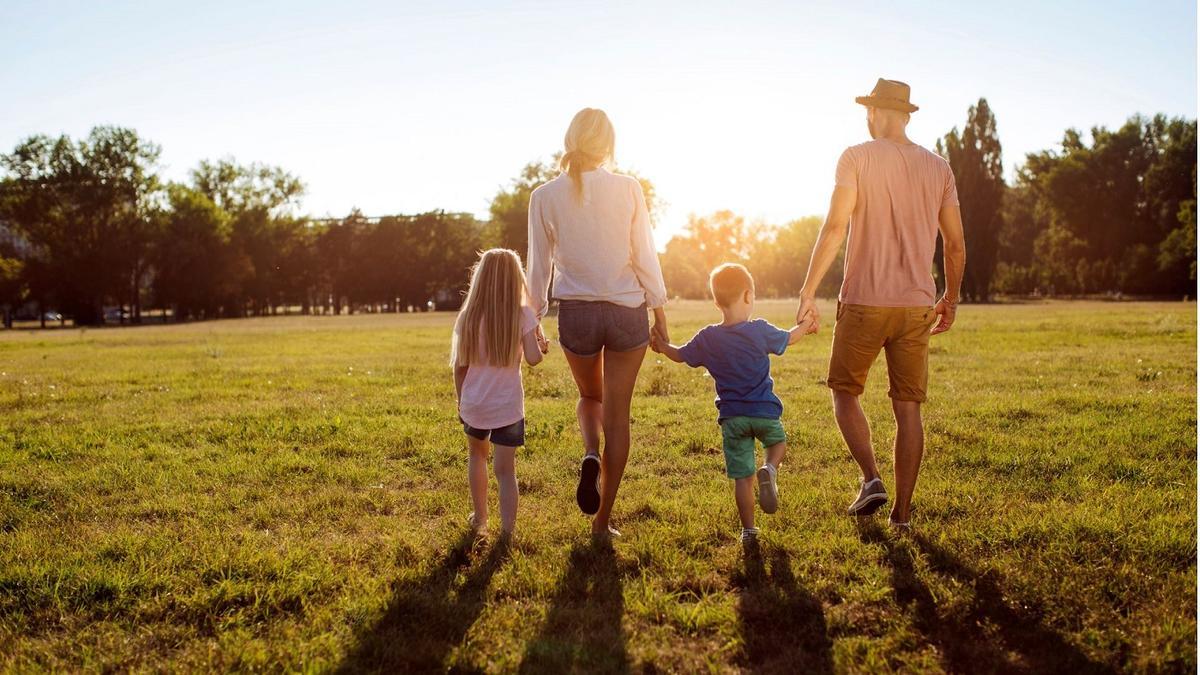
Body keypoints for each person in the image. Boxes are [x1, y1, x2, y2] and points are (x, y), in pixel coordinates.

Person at [795, 78, 967, 531]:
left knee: (844, 392)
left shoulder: (856, 157)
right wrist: (950, 297)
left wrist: (808, 290)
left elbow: (834, 228)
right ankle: (903, 516)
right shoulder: (939, 167)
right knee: (908, 409)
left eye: (868, 111)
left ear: (876, 112)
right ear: (905, 114)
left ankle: (871, 478)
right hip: (916, 307)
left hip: (864, 301)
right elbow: (955, 244)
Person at [526, 107, 669, 540]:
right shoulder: (628, 188)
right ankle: (603, 522)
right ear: (607, 144)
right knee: (619, 417)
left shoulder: (543, 195)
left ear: (570, 140)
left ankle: (590, 453)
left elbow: (539, 266)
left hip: (578, 314)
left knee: (591, 396)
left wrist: (533, 318)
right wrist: (659, 311)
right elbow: (645, 253)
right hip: (627, 311)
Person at [652, 263, 816, 544]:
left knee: (743, 477)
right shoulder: (760, 330)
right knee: (777, 445)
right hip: (764, 411)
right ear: (749, 296)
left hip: (732, 418)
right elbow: (789, 339)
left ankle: (748, 531)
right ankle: (771, 468)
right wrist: (806, 324)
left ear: (716, 302)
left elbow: (680, 355)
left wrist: (661, 346)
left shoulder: (708, 338)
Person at [451, 248, 549, 539]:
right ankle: (507, 532)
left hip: (475, 404)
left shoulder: (468, 316)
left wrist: (461, 402)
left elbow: (459, 367)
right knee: (506, 471)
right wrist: (540, 346)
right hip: (507, 407)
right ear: (515, 278)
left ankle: (480, 519)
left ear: (480, 278)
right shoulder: (523, 315)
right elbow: (533, 358)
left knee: (476, 457)